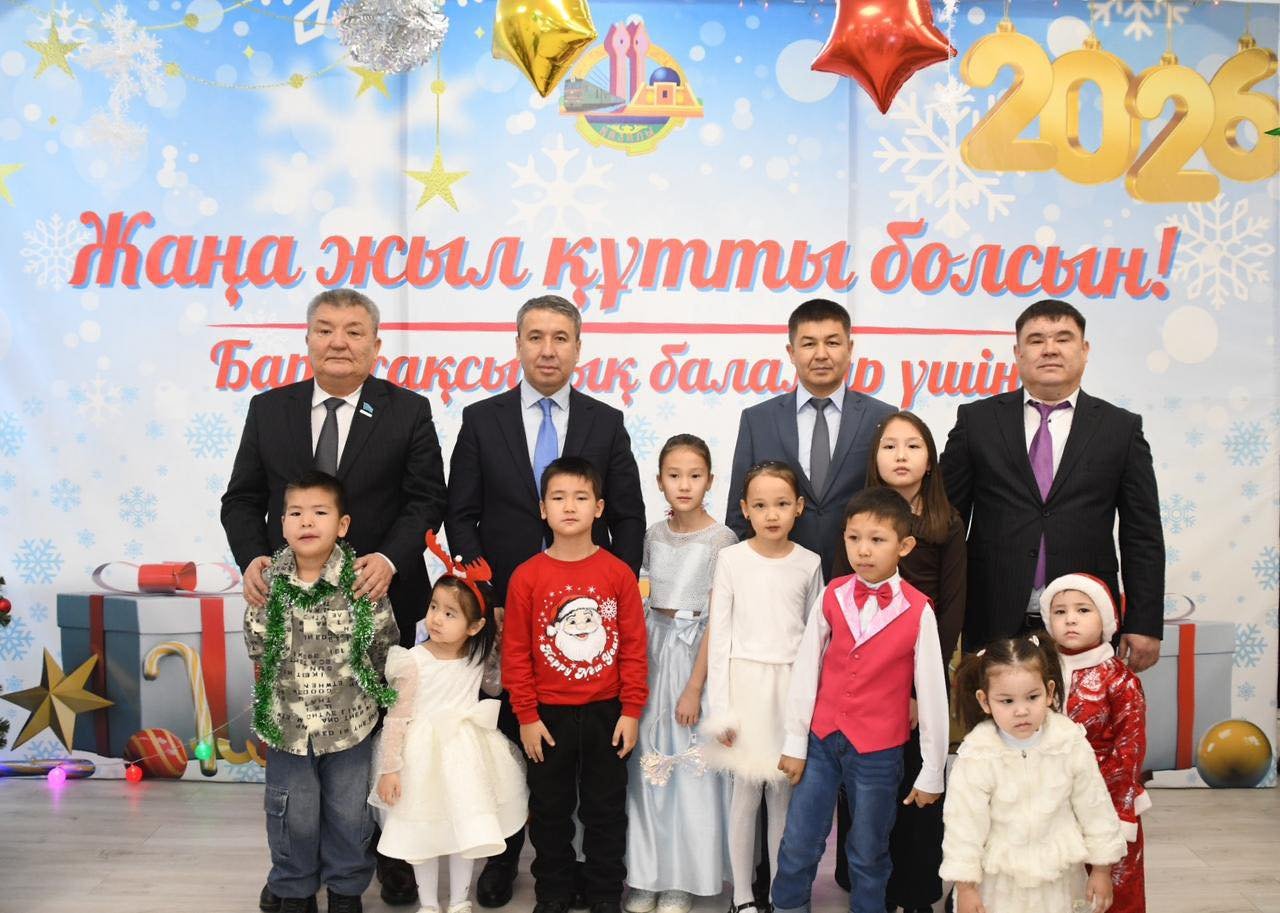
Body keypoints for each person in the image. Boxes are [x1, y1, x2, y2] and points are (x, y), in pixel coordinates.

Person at [224, 288, 445, 908]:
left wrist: (390, 558)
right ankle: (295, 875)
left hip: (379, 599)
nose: (338, 342)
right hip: (292, 611)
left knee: (378, 747)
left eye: (353, 331)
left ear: (376, 345)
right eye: (325, 329)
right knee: (298, 772)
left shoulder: (408, 410)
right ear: (308, 339)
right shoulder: (270, 409)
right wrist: (253, 558)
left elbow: (427, 497)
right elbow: (241, 499)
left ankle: (383, 862)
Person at [446, 294, 646, 909]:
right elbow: (461, 514)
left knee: (584, 767)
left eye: (561, 337)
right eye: (535, 337)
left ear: (579, 348)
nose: (548, 349)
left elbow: (629, 516)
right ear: (518, 345)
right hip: (506, 609)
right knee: (513, 742)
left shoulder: (605, 421)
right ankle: (506, 859)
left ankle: (591, 874)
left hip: (588, 619)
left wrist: (611, 594)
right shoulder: (482, 419)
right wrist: (488, 595)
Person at [939, 299, 1164, 671]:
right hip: (992, 613)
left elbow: (1143, 534)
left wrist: (1144, 621)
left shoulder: (1121, 429)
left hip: (1085, 620)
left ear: (1084, 349)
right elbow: (945, 520)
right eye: (1036, 339)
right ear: (1018, 352)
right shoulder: (977, 421)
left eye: (1063, 338)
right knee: (990, 710)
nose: (1050, 349)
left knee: (1083, 713)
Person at [772, 487, 948, 913]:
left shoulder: (919, 610)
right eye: (854, 538)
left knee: (869, 851)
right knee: (799, 841)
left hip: (878, 751)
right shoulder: (832, 594)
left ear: (904, 546)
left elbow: (931, 694)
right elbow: (806, 669)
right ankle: (788, 907)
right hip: (820, 740)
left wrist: (932, 771)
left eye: (877, 539)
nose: (863, 550)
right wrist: (795, 741)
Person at [244, 471, 400, 913]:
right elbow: (257, 646)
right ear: (282, 524)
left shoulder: (361, 582)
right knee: (291, 813)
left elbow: (384, 645)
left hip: (350, 727)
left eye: (319, 512)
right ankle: (294, 889)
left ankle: (346, 890)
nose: (307, 522)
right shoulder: (267, 582)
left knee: (349, 814)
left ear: (342, 524)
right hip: (287, 727)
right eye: (295, 513)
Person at [830, 412, 965, 911]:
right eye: (889, 446)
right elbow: (841, 602)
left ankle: (915, 888)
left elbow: (952, 609)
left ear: (930, 460)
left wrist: (915, 692)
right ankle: (867, 885)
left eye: (913, 445)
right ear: (875, 458)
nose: (901, 455)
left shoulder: (947, 522)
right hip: (865, 681)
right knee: (864, 785)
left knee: (917, 777)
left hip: (918, 677)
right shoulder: (858, 517)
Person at [502, 457, 649, 913]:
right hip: (547, 717)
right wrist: (526, 715)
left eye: (581, 497)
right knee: (549, 811)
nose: (569, 507)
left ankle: (605, 892)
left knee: (605, 810)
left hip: (608, 712)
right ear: (542, 508)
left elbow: (634, 648)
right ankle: (553, 892)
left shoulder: (618, 573)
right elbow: (516, 654)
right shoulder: (526, 576)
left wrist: (631, 710)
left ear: (599, 507)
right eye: (559, 497)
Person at [370, 535, 529, 913]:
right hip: (421, 758)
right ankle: (428, 903)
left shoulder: (476, 657)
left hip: (466, 756)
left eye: (450, 614)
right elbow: (397, 718)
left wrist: (499, 641)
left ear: (474, 627)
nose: (436, 619)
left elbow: (494, 686)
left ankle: (459, 900)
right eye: (434, 607)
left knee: (463, 833)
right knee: (421, 835)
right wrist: (390, 769)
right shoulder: (412, 661)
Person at [700, 461, 824, 913]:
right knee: (746, 794)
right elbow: (720, 637)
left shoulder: (810, 563)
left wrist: (809, 707)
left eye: (782, 504)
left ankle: (778, 894)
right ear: (745, 509)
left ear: (799, 507)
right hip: (745, 686)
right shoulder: (731, 560)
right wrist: (721, 709)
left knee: (783, 796)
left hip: (790, 688)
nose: (772, 514)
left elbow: (816, 640)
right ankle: (743, 897)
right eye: (760, 505)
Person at [624, 435, 736, 913]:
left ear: (710, 480)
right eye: (674, 476)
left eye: (694, 475)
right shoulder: (652, 535)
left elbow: (719, 619)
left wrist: (694, 686)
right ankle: (646, 874)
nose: (684, 485)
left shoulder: (723, 540)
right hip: (653, 650)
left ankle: (682, 878)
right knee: (648, 765)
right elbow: (644, 595)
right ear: (659, 481)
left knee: (690, 767)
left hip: (697, 657)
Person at [942, 637, 1126, 913]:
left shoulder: (1068, 741)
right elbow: (963, 826)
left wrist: (1102, 869)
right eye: (1007, 701)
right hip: (1000, 886)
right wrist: (965, 888)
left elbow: (1095, 807)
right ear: (985, 701)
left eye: (1032, 697)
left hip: (1060, 881)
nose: (1021, 710)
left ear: (1049, 692)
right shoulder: (978, 753)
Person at [726, 298, 895, 578]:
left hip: (859, 578)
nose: (821, 354)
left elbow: (894, 507)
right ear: (791, 352)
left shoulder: (882, 417)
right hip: (776, 579)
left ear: (850, 348)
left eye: (832, 342)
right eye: (808, 344)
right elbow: (738, 513)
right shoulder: (758, 420)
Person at [1041, 574, 1149, 913]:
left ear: (1106, 619)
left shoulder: (1120, 680)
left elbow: (1129, 752)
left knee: (1110, 895)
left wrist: (1116, 814)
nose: (1070, 619)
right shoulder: (1039, 674)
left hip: (1108, 800)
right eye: (1060, 612)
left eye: (1083, 610)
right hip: (1052, 805)